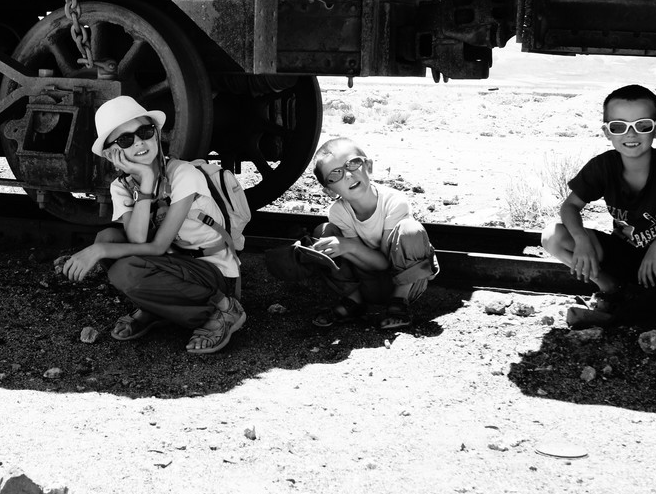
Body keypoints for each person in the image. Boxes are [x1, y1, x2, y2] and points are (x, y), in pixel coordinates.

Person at [61, 95, 246, 354]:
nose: (139, 142)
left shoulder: (184, 175)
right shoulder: (122, 186)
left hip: (212, 272)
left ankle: (222, 309)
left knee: (122, 269)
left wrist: (98, 252)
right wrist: (146, 182)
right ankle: (156, 307)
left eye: (145, 132)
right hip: (175, 266)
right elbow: (137, 241)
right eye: (125, 140)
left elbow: (157, 246)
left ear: (156, 134)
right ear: (112, 153)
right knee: (107, 238)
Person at [541, 84, 656, 326]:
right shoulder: (603, 166)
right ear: (607, 132)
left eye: (642, 126)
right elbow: (570, 206)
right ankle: (612, 290)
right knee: (552, 236)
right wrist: (581, 238)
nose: (631, 135)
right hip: (622, 256)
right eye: (619, 127)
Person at [265, 137, 440, 330]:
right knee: (323, 232)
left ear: (369, 166)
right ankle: (353, 302)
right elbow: (370, 266)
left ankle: (398, 306)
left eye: (353, 163)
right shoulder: (338, 212)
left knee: (411, 230)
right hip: (366, 285)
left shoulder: (395, 202)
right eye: (335, 174)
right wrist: (332, 249)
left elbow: (384, 264)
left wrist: (348, 247)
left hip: (406, 284)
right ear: (329, 190)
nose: (348, 175)